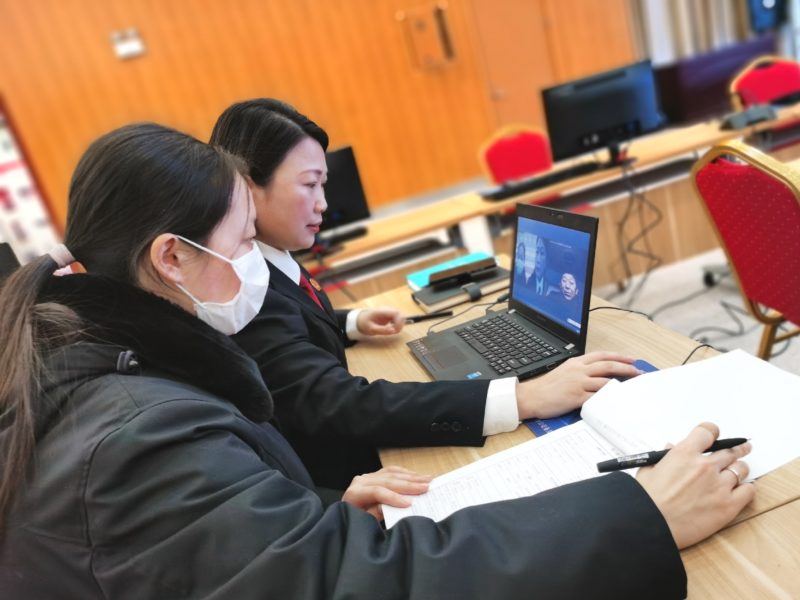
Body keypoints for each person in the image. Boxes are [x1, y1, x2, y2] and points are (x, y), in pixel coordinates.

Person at [0, 122, 756, 599]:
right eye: (241, 242)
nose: (252, 264)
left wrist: (312, 512)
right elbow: (362, 585)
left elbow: (212, 556)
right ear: (171, 257)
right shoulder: (133, 436)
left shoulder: (89, 364)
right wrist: (641, 513)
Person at [211, 98, 643, 490]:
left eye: (323, 185)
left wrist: (349, 322)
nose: (322, 203)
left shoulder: (265, 256)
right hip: (344, 478)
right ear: (247, 188)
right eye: (309, 185)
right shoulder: (244, 291)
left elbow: (291, 322)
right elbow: (339, 403)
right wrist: (524, 397)